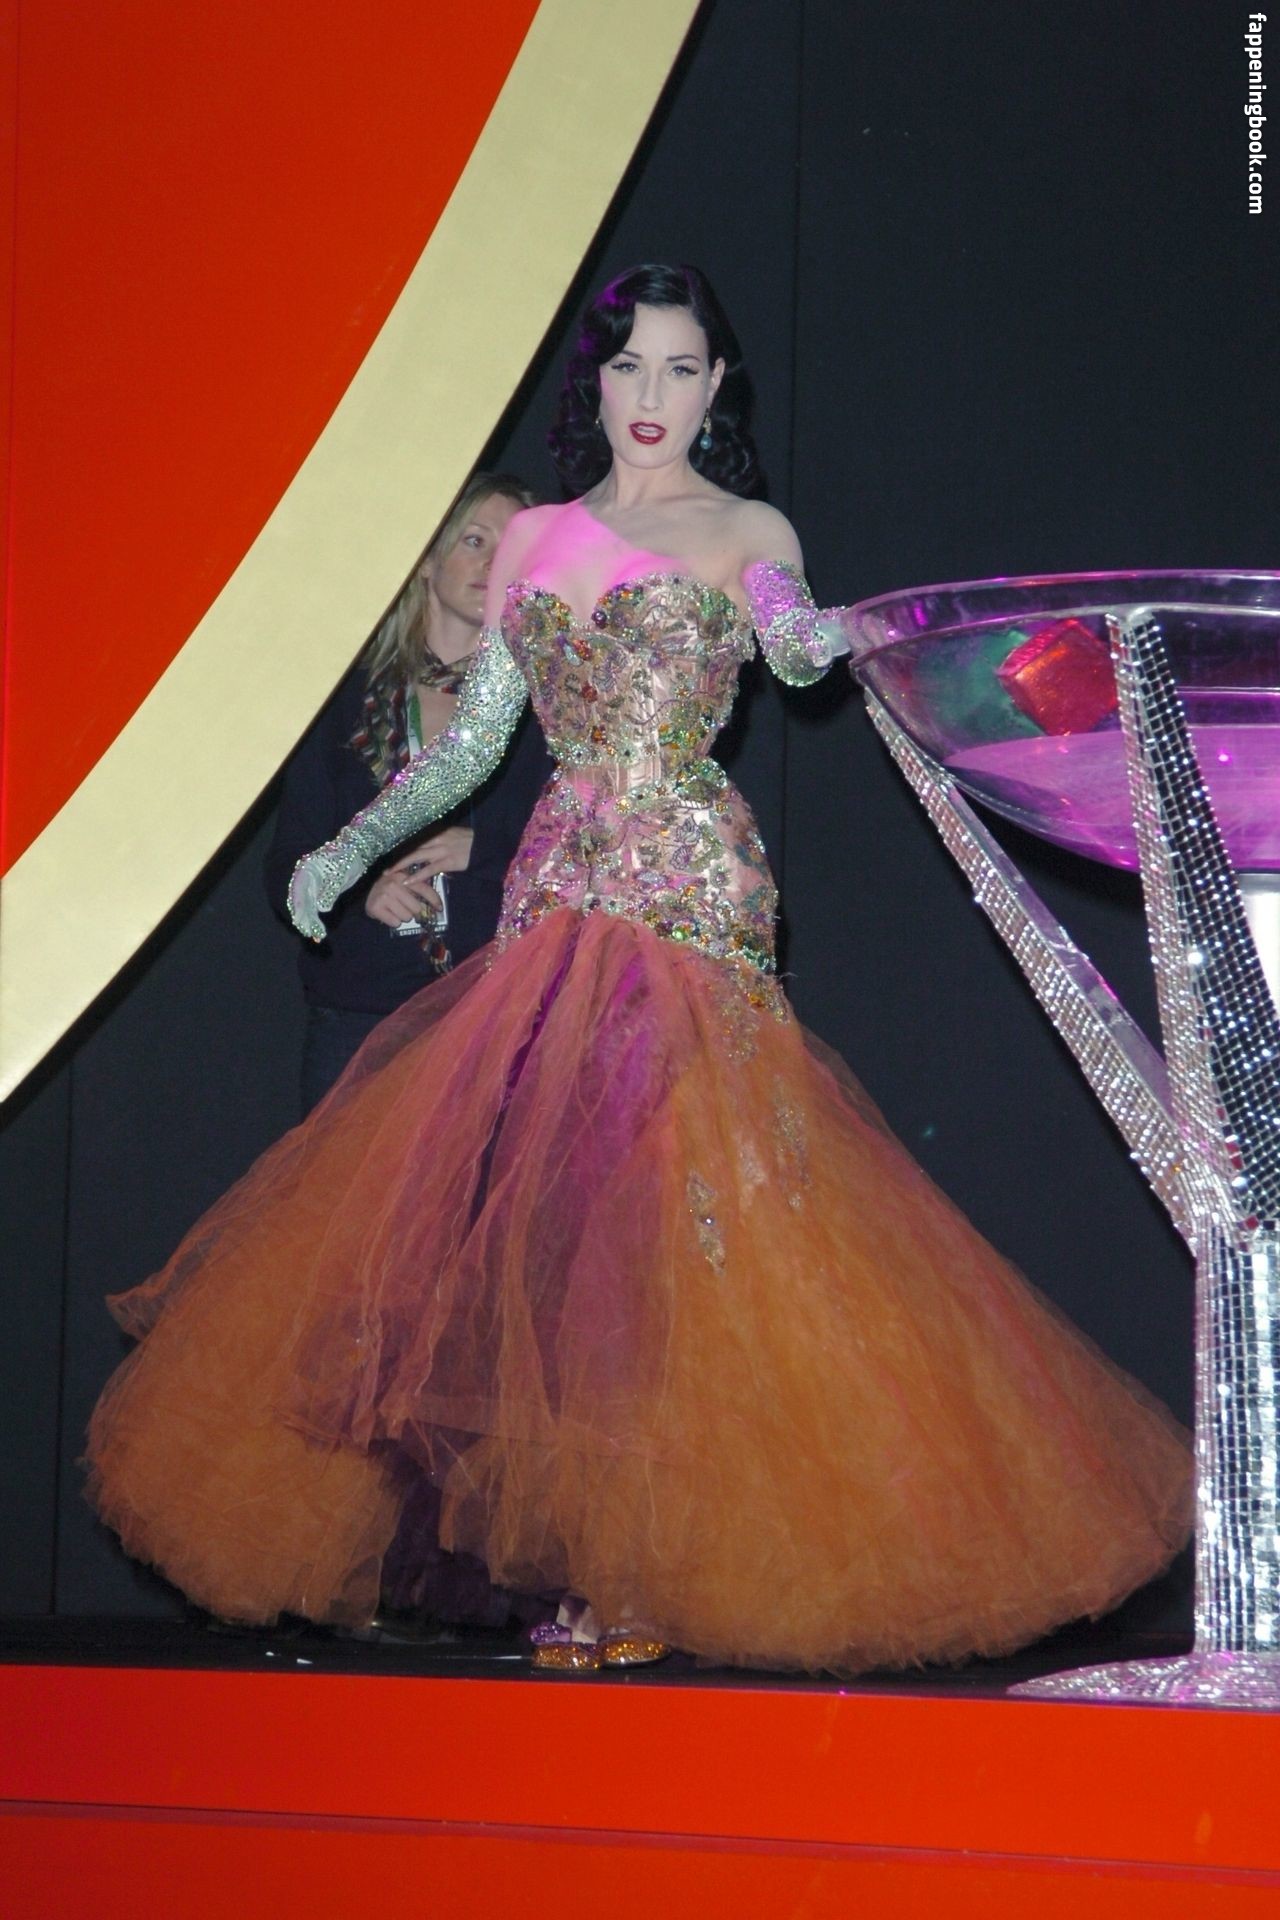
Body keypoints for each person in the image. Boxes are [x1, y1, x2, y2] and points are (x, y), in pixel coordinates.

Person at [86, 264, 1191, 1674]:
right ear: (593, 384)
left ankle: (656, 1566)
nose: (653, 396)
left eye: (680, 368)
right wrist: (347, 851)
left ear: (716, 387)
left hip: (687, 890)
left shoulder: (746, 530)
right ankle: (585, 1557)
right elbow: (476, 745)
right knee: (551, 1232)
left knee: (678, 1216)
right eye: (629, 368)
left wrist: (846, 631)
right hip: (555, 895)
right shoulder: (535, 538)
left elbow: (796, 659)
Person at [265, 472, 552, 1115]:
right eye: (474, 540)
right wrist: (359, 893)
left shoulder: (544, 708)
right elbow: (285, 864)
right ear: (426, 559)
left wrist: (486, 846)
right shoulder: (344, 702)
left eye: (510, 547)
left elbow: (588, 852)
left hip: (491, 1013)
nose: (492, 562)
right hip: (361, 1021)